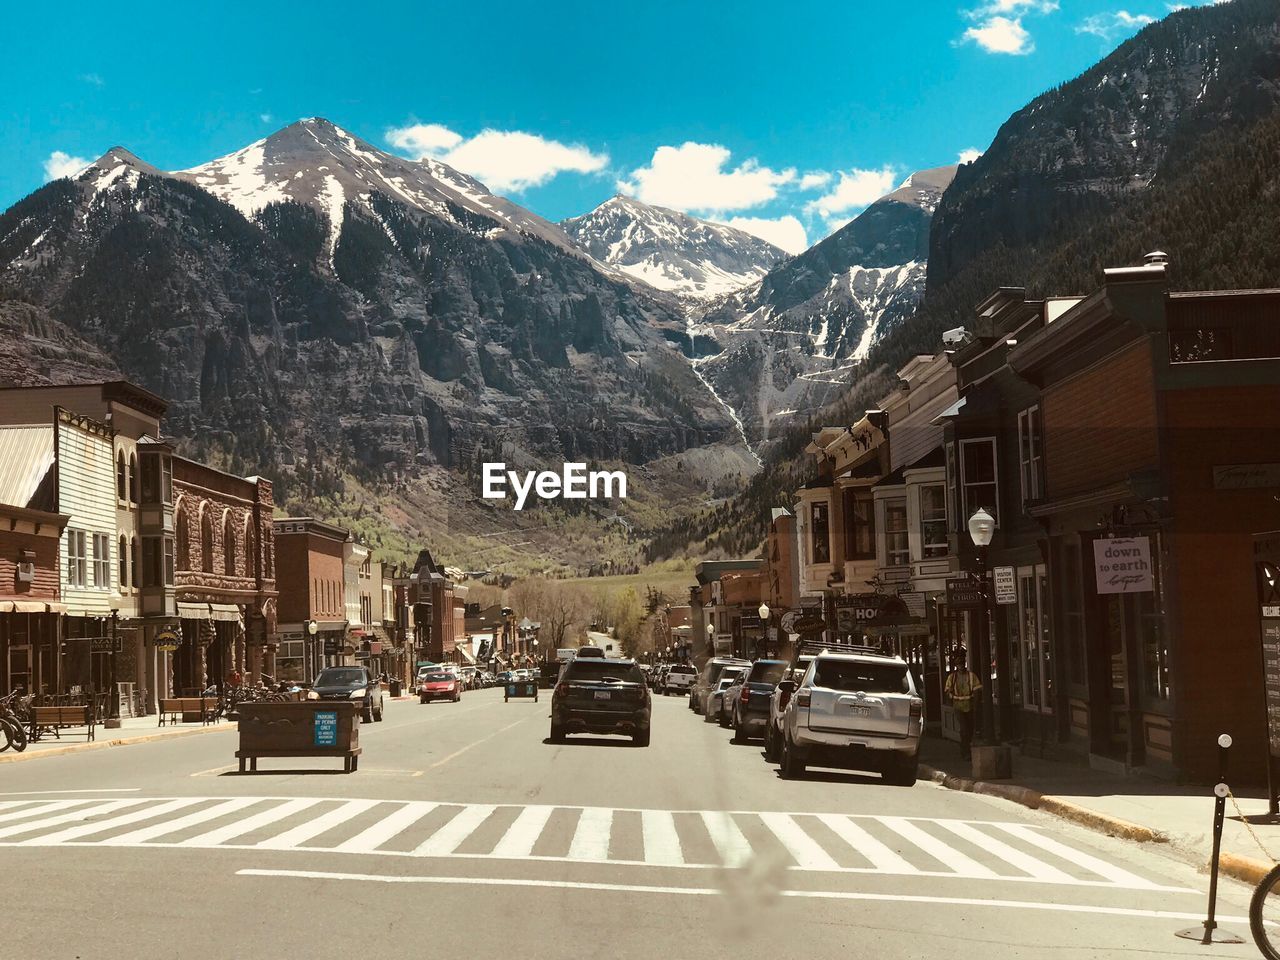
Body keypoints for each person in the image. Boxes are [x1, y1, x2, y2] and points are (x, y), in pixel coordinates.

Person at [944, 647, 982, 760]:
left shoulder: (971, 676)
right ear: (956, 665)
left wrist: (975, 706)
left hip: (969, 706)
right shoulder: (952, 677)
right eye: (958, 663)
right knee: (964, 729)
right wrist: (951, 698)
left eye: (962, 663)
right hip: (958, 707)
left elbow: (977, 690)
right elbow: (947, 690)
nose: (960, 665)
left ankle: (967, 748)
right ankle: (965, 752)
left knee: (970, 729)